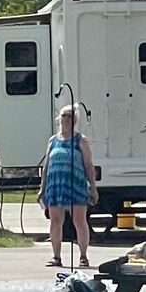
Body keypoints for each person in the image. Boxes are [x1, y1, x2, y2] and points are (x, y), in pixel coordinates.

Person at [40, 103, 97, 269]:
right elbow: (46, 165)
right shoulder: (53, 141)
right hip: (55, 184)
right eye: (64, 116)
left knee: (79, 220)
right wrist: (42, 187)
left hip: (76, 184)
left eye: (70, 117)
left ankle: (83, 256)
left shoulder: (81, 141)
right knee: (55, 221)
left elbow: (88, 165)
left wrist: (92, 187)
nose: (66, 120)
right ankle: (56, 256)